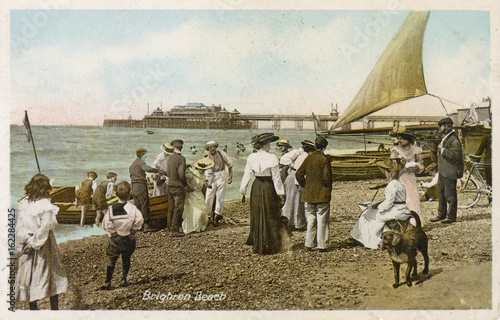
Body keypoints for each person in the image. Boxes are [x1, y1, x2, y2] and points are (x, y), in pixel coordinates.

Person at [15, 173, 69, 310]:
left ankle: (33, 308)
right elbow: (46, 228)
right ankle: (54, 309)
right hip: (43, 243)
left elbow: (20, 226)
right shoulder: (45, 204)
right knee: (51, 273)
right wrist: (34, 243)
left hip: (27, 240)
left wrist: (26, 240)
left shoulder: (24, 201)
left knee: (29, 274)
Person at [350, 159, 414, 249]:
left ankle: (371, 240)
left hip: (396, 211)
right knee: (372, 211)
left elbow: (388, 204)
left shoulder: (392, 185)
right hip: (403, 208)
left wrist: (378, 207)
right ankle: (365, 237)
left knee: (367, 214)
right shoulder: (399, 182)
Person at [240, 132, 286, 255]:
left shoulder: (251, 157)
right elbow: (276, 178)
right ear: (266, 144)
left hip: (256, 186)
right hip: (268, 186)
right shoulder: (272, 157)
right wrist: (281, 194)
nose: (270, 145)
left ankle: (258, 243)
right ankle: (270, 244)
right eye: (269, 143)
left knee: (257, 213)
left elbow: (247, 175)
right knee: (270, 213)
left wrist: (243, 190)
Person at [101, 181, 144, 290]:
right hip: (128, 237)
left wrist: (114, 232)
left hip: (116, 239)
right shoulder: (132, 208)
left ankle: (108, 281)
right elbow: (140, 220)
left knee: (111, 258)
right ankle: (124, 279)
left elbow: (106, 224)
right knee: (126, 258)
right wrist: (133, 230)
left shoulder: (111, 208)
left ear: (116, 194)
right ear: (130, 194)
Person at [296, 136, 332, 252]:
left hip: (309, 193)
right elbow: (327, 177)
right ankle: (322, 244)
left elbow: (298, 174)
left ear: (315, 146)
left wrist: (305, 185)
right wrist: (328, 188)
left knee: (310, 219)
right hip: (322, 194)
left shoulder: (308, 158)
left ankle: (309, 243)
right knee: (322, 219)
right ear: (324, 147)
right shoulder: (325, 159)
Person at [430, 117, 464, 224]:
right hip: (443, 171)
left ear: (447, 126)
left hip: (450, 171)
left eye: (441, 126)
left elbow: (456, 155)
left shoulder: (454, 139)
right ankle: (441, 214)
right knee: (441, 194)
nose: (440, 128)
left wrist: (443, 150)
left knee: (450, 196)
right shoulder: (447, 137)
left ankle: (451, 216)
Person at [390, 128, 424, 222]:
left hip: (411, 178)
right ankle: (401, 221)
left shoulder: (416, 149)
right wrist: (400, 168)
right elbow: (392, 167)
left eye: (401, 138)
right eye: (398, 138)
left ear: (408, 139)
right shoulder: (395, 150)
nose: (399, 141)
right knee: (400, 198)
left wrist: (417, 168)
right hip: (399, 177)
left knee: (413, 198)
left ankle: (414, 221)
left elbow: (421, 164)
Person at [282, 139, 315, 231]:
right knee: (297, 200)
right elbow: (301, 171)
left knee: (290, 200)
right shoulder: (306, 157)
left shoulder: (301, 155)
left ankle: (289, 221)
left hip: (291, 176)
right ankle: (297, 223)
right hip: (296, 178)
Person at [129, 148, 159, 231]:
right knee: (144, 204)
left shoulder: (133, 164)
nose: (147, 156)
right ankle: (146, 225)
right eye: (146, 154)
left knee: (138, 205)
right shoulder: (140, 162)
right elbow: (147, 169)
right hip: (141, 185)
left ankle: (138, 225)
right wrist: (157, 170)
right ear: (142, 154)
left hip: (134, 186)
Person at [204, 140, 233, 225]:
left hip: (221, 174)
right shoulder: (206, 156)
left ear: (216, 147)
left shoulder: (221, 153)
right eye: (210, 147)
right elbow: (202, 167)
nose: (212, 149)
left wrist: (230, 176)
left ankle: (217, 215)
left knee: (220, 196)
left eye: (213, 147)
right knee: (209, 197)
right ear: (208, 148)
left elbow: (230, 164)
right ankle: (208, 216)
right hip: (210, 176)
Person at [182, 158, 214, 234]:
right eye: (201, 169)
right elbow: (184, 181)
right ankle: (193, 228)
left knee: (202, 211)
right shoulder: (191, 174)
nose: (202, 170)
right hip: (191, 195)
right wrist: (188, 188)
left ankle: (200, 227)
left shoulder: (203, 176)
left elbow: (204, 186)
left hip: (199, 195)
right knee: (196, 212)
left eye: (204, 169)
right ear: (197, 168)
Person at [166, 139, 187, 236]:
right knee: (178, 207)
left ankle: (169, 226)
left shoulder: (170, 158)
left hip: (170, 185)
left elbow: (169, 172)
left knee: (171, 207)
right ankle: (174, 230)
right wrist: (185, 184)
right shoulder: (181, 158)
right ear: (181, 147)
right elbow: (181, 174)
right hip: (178, 186)